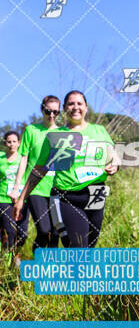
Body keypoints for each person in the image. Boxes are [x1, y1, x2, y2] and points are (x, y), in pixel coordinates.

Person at [14, 91, 119, 248]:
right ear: (64, 108)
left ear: (86, 107)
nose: (75, 107)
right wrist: (22, 199)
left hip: (97, 192)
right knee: (78, 246)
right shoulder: (56, 135)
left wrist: (115, 163)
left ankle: (75, 271)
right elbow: (39, 169)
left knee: (91, 244)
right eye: (71, 104)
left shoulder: (99, 130)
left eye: (79, 103)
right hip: (68, 196)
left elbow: (112, 153)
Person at [10, 96, 61, 252]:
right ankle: (37, 260)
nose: (51, 115)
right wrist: (17, 187)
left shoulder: (63, 133)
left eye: (55, 112)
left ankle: (49, 272)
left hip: (56, 188)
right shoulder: (31, 130)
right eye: (48, 111)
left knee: (56, 233)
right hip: (35, 188)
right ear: (42, 109)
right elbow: (23, 159)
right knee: (44, 230)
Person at [0, 131, 29, 259]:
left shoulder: (24, 158)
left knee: (22, 234)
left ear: (19, 143)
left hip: (21, 200)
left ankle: (15, 254)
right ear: (5, 143)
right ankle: (8, 261)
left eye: (14, 141)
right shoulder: (0, 158)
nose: (11, 144)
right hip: (3, 198)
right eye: (9, 142)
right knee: (11, 231)